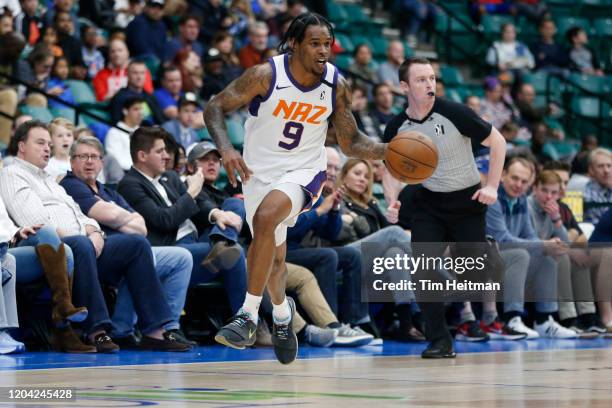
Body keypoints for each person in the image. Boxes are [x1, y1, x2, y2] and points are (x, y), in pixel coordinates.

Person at [205, 12, 387, 365]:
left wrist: (387, 150)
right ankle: (283, 317)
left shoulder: (336, 84)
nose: (323, 51)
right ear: (295, 44)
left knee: (267, 218)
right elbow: (215, 107)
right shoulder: (265, 75)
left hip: (306, 170)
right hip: (259, 173)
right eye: (315, 44)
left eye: (327, 45)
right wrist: (226, 149)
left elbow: (350, 142)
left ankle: (246, 316)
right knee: (274, 260)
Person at [383, 57, 507, 358]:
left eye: (432, 78)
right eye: (421, 79)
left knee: (473, 277)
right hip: (429, 202)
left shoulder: (454, 112)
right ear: (404, 86)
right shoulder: (397, 126)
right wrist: (392, 199)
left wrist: (491, 186)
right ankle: (439, 340)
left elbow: (499, 141)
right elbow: (389, 167)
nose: (429, 84)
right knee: (422, 270)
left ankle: (483, 253)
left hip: (467, 201)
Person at [60, 135, 195, 347]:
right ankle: (150, 330)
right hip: (94, 251)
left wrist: (115, 217)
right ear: (72, 161)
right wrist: (121, 219)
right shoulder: (70, 185)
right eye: (83, 156)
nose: (89, 161)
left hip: (121, 248)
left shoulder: (107, 191)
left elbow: (141, 227)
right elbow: (110, 216)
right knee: (137, 247)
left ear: (102, 163)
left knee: (181, 257)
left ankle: (168, 327)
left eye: (95, 157)